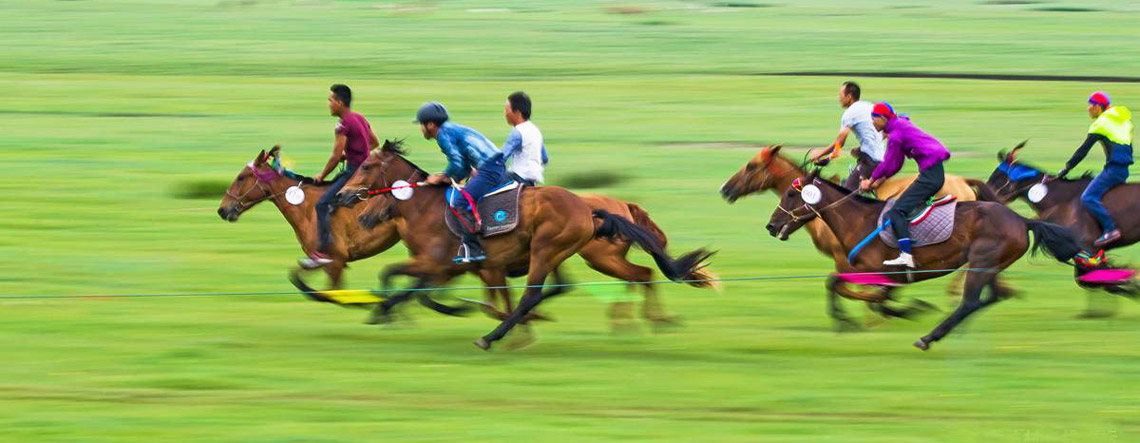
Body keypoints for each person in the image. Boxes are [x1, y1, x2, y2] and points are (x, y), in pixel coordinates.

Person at [860, 102, 951, 268]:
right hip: (933, 173)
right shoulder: (899, 126)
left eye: (873, 119)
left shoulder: (895, 136)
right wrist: (880, 180)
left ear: (882, 118)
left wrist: (871, 181)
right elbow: (896, 163)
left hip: (930, 176)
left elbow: (888, 162)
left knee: (896, 212)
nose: (872, 124)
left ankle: (906, 255)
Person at [299, 84, 379, 269]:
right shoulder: (359, 117)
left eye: (330, 100)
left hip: (354, 172)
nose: (329, 104)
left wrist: (322, 175)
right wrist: (355, 154)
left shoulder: (342, 125)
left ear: (340, 102)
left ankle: (322, 252)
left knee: (322, 203)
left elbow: (335, 156)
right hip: (365, 169)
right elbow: (374, 142)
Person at [415, 102, 506, 264]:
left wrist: (442, 176)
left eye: (421, 124)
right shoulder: (449, 130)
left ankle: (474, 249)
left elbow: (456, 163)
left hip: (490, 168)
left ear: (430, 125)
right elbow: (463, 166)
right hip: (493, 166)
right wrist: (448, 178)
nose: (421, 128)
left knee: (459, 202)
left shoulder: (443, 135)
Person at [1059, 91, 1133, 247]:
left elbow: (1082, 151)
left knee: (1088, 197)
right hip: (1123, 170)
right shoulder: (1122, 121)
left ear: (1099, 108)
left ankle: (1111, 229)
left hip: (1113, 171)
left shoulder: (1100, 124)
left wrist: (1066, 169)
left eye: (1090, 105)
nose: (1088, 108)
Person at [812, 81, 886, 190]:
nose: (838, 98)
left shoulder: (849, 114)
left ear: (849, 97)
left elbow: (839, 144)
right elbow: (884, 132)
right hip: (883, 156)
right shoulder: (869, 106)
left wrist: (820, 154)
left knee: (846, 193)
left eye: (840, 95)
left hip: (872, 160)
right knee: (855, 152)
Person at [500, 91, 549, 186]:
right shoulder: (535, 130)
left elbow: (501, 158)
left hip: (517, 177)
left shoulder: (518, 131)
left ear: (517, 112)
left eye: (507, 110)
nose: (505, 114)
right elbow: (544, 158)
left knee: (483, 184)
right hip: (532, 182)